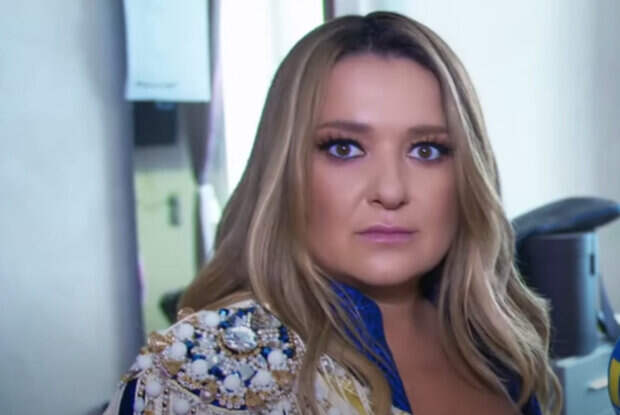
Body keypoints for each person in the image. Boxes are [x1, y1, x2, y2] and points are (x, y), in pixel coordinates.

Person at [104, 11, 562, 415]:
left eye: (426, 150)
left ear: (467, 174)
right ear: (284, 172)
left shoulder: (496, 344)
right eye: (344, 148)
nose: (390, 190)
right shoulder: (220, 368)